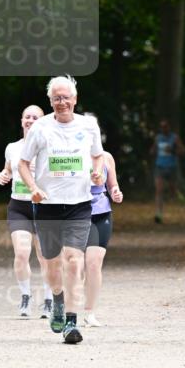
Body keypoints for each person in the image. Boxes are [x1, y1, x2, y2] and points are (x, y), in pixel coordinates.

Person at [17, 75, 104, 345]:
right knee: (52, 264)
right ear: (50, 101)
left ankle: (71, 322)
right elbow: (23, 163)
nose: (62, 102)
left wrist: (98, 172)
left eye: (66, 97)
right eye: (57, 98)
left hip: (79, 204)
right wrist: (33, 186)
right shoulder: (40, 128)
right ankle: (56, 299)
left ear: (75, 99)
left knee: (75, 261)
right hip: (47, 206)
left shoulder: (88, 125)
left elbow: (98, 155)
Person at [0, 105, 54, 318]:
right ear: (21, 121)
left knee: (45, 257)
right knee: (21, 253)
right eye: (27, 117)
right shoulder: (12, 147)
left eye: (35, 117)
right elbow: (7, 169)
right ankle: (25, 298)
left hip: (44, 207)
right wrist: (4, 174)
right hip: (19, 207)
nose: (30, 120)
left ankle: (49, 300)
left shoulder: (49, 146)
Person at [83, 117, 124, 327]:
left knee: (94, 262)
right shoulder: (74, 155)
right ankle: (65, 305)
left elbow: (113, 185)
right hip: (75, 213)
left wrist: (116, 193)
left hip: (101, 212)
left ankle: (89, 312)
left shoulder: (107, 157)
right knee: (72, 264)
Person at [152, 118, 185, 222]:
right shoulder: (158, 138)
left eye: (165, 126)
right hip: (160, 167)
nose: (163, 129)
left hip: (171, 167)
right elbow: (153, 150)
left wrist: (173, 150)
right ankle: (158, 213)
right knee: (159, 190)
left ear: (169, 127)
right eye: (162, 127)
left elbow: (182, 151)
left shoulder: (174, 138)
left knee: (172, 189)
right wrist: (152, 151)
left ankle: (176, 193)